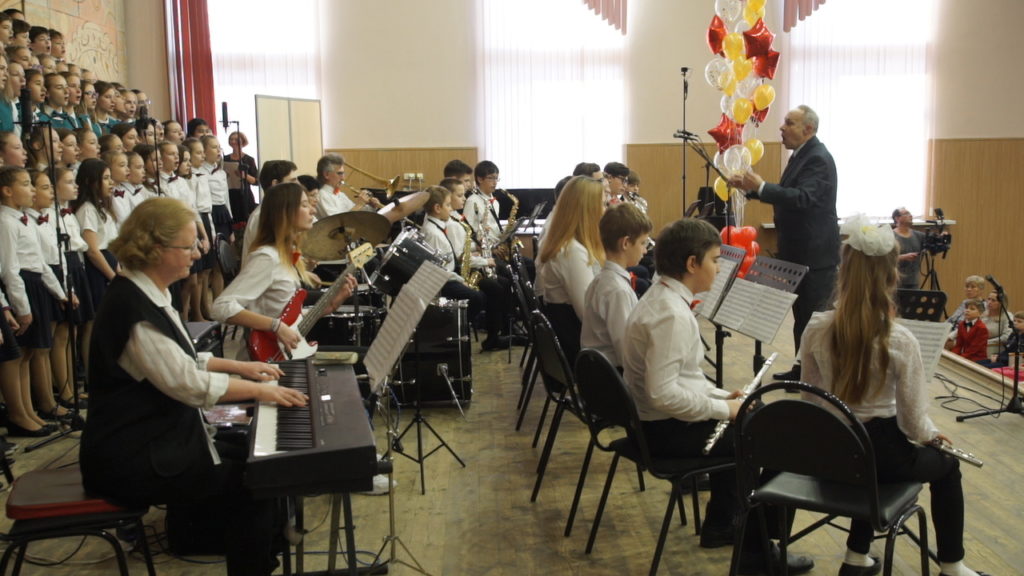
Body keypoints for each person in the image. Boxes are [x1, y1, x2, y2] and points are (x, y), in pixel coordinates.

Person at [79, 196, 304, 576]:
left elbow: (182, 359)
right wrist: (260, 391)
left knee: (256, 455)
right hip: (132, 458)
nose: (198, 254)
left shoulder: (148, 292)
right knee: (254, 480)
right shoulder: (133, 311)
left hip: (160, 438)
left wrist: (242, 368)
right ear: (155, 249)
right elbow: (187, 384)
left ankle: (264, 555)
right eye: (188, 247)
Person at [621, 217, 812, 574]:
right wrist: (725, 410)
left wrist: (725, 397)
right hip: (663, 432)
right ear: (692, 264)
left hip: (655, 423)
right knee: (779, 437)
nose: (720, 267)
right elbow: (663, 394)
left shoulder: (662, 296)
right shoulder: (671, 315)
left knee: (754, 414)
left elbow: (686, 377)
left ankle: (723, 523)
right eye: (714, 259)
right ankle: (758, 550)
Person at [800, 214, 984, 576]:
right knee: (947, 467)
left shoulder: (816, 327)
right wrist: (933, 437)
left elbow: (811, 399)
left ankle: (857, 557)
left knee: (863, 450)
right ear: (891, 276)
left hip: (830, 452)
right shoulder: (900, 339)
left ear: (843, 271)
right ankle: (953, 566)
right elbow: (913, 423)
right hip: (880, 456)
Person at [729, 104, 839, 382]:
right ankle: (802, 371)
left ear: (808, 129)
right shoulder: (801, 154)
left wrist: (762, 187)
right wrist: (751, 190)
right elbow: (789, 194)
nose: (781, 127)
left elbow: (803, 198)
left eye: (789, 123)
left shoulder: (818, 158)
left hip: (815, 256)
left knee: (813, 320)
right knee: (801, 317)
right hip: (798, 252)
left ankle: (817, 378)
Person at [212, 182, 356, 358]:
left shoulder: (285, 255)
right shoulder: (267, 258)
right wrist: (276, 326)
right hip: (266, 358)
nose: (312, 210)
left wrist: (331, 305)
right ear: (285, 213)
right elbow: (221, 307)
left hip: (284, 351)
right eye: (304, 205)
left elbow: (287, 318)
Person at [420, 185, 515, 351]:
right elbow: (443, 265)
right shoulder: (434, 232)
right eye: (448, 205)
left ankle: (490, 334)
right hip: (445, 279)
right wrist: (462, 278)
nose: (451, 208)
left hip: (452, 274)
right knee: (479, 297)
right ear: (437, 208)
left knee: (497, 285)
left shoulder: (440, 226)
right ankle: (455, 331)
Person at [535, 175, 605, 362]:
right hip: (580, 348)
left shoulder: (574, 245)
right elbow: (588, 314)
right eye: (602, 205)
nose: (605, 210)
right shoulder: (571, 251)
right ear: (588, 210)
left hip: (578, 336)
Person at [580, 203, 651, 368]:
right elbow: (627, 353)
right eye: (642, 243)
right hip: (612, 375)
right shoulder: (617, 291)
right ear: (625, 243)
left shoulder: (601, 279)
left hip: (600, 370)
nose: (645, 251)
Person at [224, 130, 259, 227]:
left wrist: (244, 176)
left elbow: (256, 181)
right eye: (231, 139)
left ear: (243, 141)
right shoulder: (225, 159)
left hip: (245, 195)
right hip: (230, 193)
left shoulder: (249, 159)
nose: (233, 141)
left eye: (236, 139)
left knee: (247, 222)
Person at [892, 207, 924, 290]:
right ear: (897, 218)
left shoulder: (918, 235)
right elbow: (885, 259)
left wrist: (942, 236)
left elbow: (932, 242)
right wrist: (903, 257)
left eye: (910, 213)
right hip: (895, 282)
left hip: (913, 282)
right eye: (906, 214)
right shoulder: (891, 236)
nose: (910, 216)